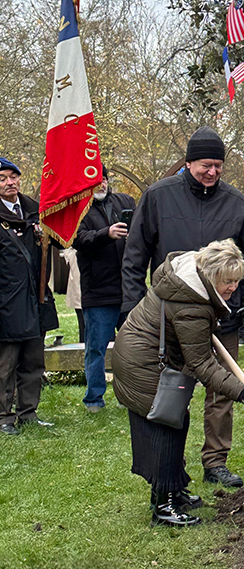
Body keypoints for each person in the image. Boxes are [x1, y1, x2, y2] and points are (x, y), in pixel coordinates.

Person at [121, 127, 244, 488]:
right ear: (187, 163)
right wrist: (130, 306)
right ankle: (172, 466)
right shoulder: (158, 196)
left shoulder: (237, 204)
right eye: (205, 165)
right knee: (175, 388)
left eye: (218, 166)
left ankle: (215, 460)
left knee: (222, 390)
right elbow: (135, 255)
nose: (212, 172)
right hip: (172, 319)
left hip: (223, 317)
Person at [113, 240, 244, 526]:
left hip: (142, 353)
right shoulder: (192, 302)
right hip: (142, 363)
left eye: (236, 281)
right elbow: (201, 364)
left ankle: (173, 492)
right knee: (166, 427)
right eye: (228, 281)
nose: (233, 288)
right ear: (211, 276)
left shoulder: (191, 280)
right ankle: (163, 507)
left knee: (175, 421)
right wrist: (241, 392)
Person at [0, 156, 58, 434]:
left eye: (13, 176)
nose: (10, 182)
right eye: (2, 178)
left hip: (37, 299)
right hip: (6, 303)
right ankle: (3, 417)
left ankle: (28, 412)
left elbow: (59, 239)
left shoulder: (35, 210)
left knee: (34, 362)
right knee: (5, 366)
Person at [74, 166, 136, 412]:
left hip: (128, 288)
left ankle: (131, 395)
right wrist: (105, 234)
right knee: (96, 348)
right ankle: (94, 398)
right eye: (94, 181)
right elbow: (77, 239)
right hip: (98, 291)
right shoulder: (79, 210)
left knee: (134, 347)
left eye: (104, 180)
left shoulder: (125, 201)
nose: (100, 184)